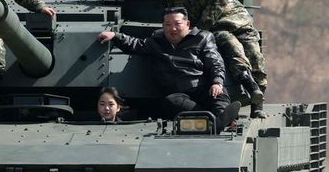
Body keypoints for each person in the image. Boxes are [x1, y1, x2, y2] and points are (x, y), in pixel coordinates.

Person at [162, 0, 268, 118]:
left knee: (255, 55)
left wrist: (197, 31)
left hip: (232, 18)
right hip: (214, 29)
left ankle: (258, 102)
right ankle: (251, 88)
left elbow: (218, 2)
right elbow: (178, 10)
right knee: (232, 46)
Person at [97, 7, 241, 129]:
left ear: (187, 24)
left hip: (202, 88)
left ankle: (220, 118)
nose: (172, 28)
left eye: (177, 23)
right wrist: (115, 35)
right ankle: (213, 122)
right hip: (179, 95)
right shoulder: (156, 42)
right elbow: (135, 44)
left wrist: (217, 81)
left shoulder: (203, 38)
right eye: (167, 24)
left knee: (219, 95)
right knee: (172, 101)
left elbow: (215, 61)